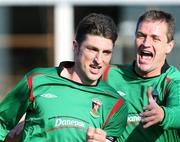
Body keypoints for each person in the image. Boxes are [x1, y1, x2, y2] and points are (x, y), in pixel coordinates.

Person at [0, 13, 128, 142]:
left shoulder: (115, 103)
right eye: (93, 50)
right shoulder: (36, 80)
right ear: (76, 47)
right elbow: (2, 123)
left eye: (106, 52)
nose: (99, 60)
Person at [101, 10, 180, 141]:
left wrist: (163, 114)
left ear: (169, 46)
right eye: (141, 35)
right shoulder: (109, 74)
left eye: (155, 38)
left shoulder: (173, 81)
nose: (146, 43)